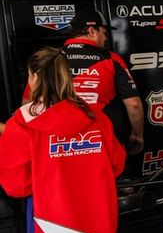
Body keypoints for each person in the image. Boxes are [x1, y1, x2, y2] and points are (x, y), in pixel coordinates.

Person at [0, 47, 126, 233]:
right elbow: (117, 165)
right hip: (101, 226)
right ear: (68, 76)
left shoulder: (22, 124)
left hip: (50, 230)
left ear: (33, 77)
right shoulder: (97, 117)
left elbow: (16, 186)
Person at [60, 8, 144, 153]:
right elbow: (134, 105)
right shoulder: (111, 59)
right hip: (104, 140)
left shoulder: (49, 60)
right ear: (92, 31)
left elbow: (29, 103)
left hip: (61, 143)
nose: (106, 39)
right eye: (104, 33)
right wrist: (138, 136)